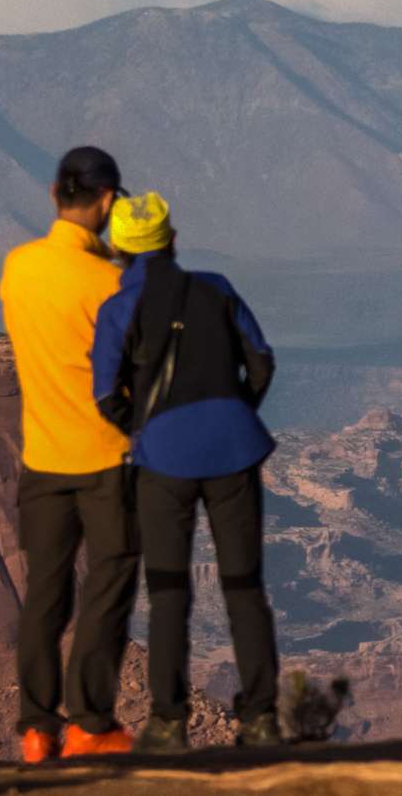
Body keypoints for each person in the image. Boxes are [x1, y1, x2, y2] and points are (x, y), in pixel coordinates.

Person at [92, 191, 283, 754]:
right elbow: (263, 359)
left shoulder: (118, 311)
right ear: (172, 240)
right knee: (244, 587)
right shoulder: (217, 289)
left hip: (163, 463)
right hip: (235, 452)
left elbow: (105, 392)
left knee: (170, 590)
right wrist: (238, 408)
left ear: (119, 253)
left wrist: (142, 430)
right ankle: (262, 719)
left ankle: (169, 723)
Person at [0, 146, 139, 763]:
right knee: (108, 587)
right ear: (108, 202)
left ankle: (36, 728)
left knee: (44, 594)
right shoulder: (111, 282)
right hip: (107, 461)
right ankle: (88, 722)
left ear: (54, 192)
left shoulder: (17, 267)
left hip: (42, 459)